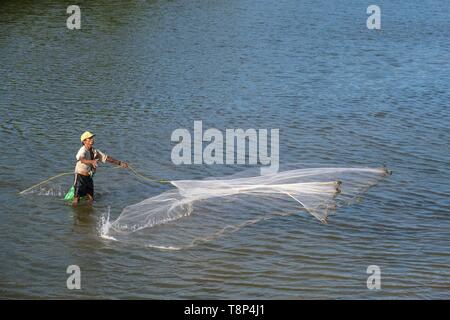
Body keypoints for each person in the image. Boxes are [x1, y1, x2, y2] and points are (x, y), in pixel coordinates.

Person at [73, 131, 128, 206]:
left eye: (92, 138)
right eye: (90, 138)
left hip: (89, 177)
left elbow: (107, 158)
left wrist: (120, 163)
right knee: (76, 199)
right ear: (84, 141)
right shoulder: (83, 150)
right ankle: (76, 215)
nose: (92, 139)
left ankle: (88, 212)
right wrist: (91, 161)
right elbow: (82, 159)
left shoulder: (95, 151)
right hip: (80, 176)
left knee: (91, 198)